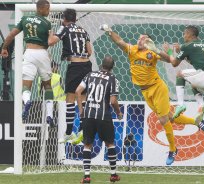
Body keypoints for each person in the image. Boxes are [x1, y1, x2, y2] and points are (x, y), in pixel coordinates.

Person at [100, 24, 204, 165]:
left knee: (163, 120)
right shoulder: (132, 50)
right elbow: (119, 41)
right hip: (145, 92)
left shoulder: (151, 53)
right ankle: (197, 122)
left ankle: (173, 149)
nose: (139, 41)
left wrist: (157, 49)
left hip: (157, 88)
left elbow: (170, 60)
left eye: (143, 39)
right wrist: (109, 30)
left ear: (148, 43)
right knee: (171, 118)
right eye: (139, 38)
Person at [145, 25, 204, 121]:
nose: (183, 36)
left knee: (180, 74)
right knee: (193, 83)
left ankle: (180, 104)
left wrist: (169, 52)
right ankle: (201, 106)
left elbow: (174, 63)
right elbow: (193, 61)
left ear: (189, 34)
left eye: (184, 34)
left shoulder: (187, 46)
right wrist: (180, 52)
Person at [0, 0, 54, 125]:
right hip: (42, 53)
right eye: (47, 9)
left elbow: (11, 35)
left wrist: (3, 48)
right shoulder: (47, 23)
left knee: (26, 86)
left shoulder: (25, 18)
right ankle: (50, 115)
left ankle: (27, 101)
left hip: (29, 53)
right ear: (40, 9)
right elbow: (50, 42)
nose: (48, 11)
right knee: (47, 86)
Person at [48, 8, 92, 143]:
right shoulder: (83, 31)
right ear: (75, 18)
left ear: (64, 19)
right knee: (83, 98)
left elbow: (51, 42)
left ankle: (68, 132)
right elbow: (89, 51)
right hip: (87, 65)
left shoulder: (65, 28)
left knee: (70, 99)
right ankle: (83, 129)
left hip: (75, 66)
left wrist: (50, 32)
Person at [76, 56, 122, 183]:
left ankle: (86, 176)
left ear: (101, 65)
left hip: (88, 114)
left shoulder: (90, 75)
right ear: (112, 67)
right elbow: (113, 101)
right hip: (103, 116)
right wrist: (118, 112)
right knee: (110, 143)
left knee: (87, 144)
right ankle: (113, 174)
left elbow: (78, 91)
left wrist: (81, 110)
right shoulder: (113, 78)